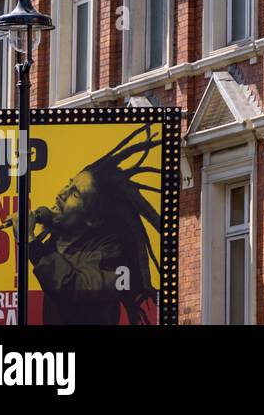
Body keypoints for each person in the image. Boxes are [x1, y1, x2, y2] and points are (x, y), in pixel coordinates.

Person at [24, 124, 163, 325]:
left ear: (93, 219)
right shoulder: (56, 241)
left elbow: (76, 287)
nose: (61, 193)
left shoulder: (111, 253)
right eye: (69, 184)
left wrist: (32, 244)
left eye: (74, 193)